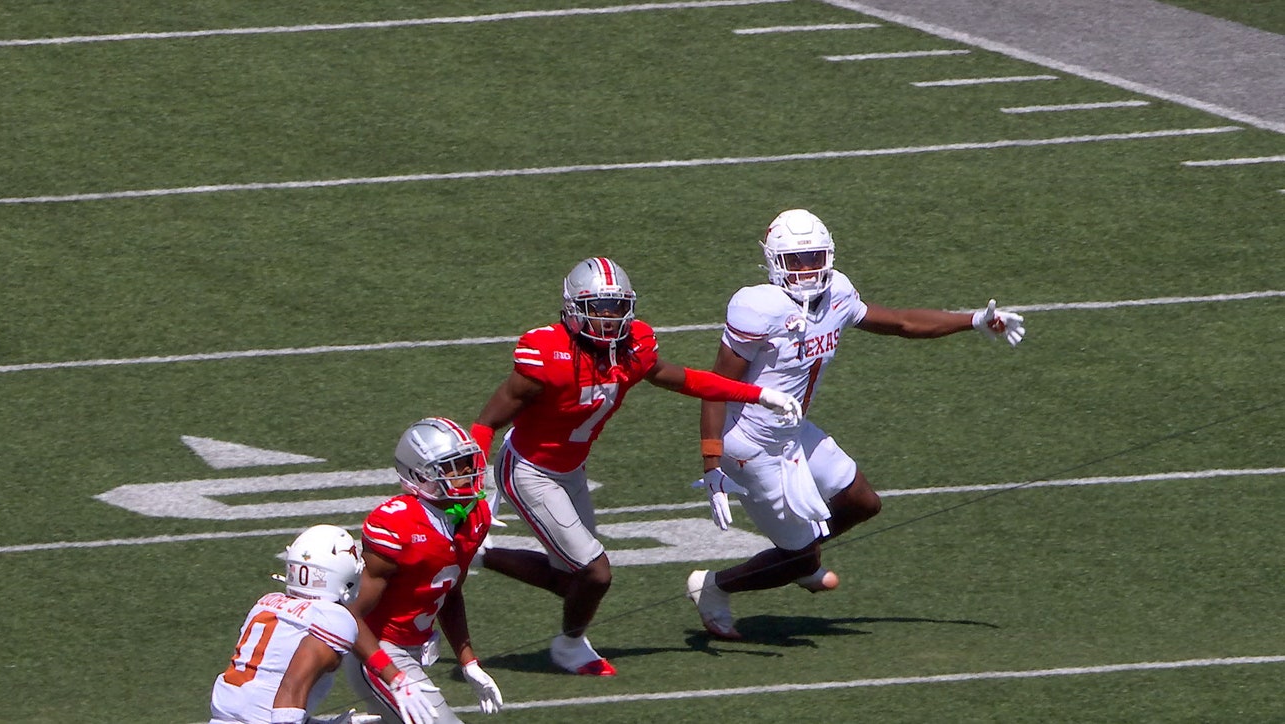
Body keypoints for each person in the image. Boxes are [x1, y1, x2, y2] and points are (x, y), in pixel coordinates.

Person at [686, 208, 1026, 640]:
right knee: (802, 559)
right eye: (797, 260)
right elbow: (716, 385)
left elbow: (901, 322)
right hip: (749, 444)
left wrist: (974, 320)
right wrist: (712, 460)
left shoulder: (838, 293)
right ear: (774, 263)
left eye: (814, 257)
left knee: (862, 502)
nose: (808, 269)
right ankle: (714, 587)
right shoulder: (758, 307)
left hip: (793, 429)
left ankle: (796, 556)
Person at [468, 256, 804, 676]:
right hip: (529, 471)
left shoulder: (634, 348)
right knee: (596, 573)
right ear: (572, 309)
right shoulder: (546, 355)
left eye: (616, 306)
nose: (608, 318)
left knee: (573, 579)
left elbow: (686, 379)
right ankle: (570, 645)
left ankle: (476, 556)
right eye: (597, 308)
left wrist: (756, 394)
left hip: (572, 469)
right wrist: (475, 489)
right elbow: (487, 422)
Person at [346, 417, 504, 724]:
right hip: (377, 650)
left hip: (417, 647)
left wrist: (468, 661)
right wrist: (394, 675)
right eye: (453, 467)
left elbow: (450, 592)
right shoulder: (397, 526)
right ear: (421, 475)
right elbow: (351, 615)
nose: (468, 473)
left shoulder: (475, 517)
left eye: (467, 463)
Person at [210, 524, 438, 724]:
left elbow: (263, 691)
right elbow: (291, 688)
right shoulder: (333, 620)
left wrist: (395, 679)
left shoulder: (267, 604)